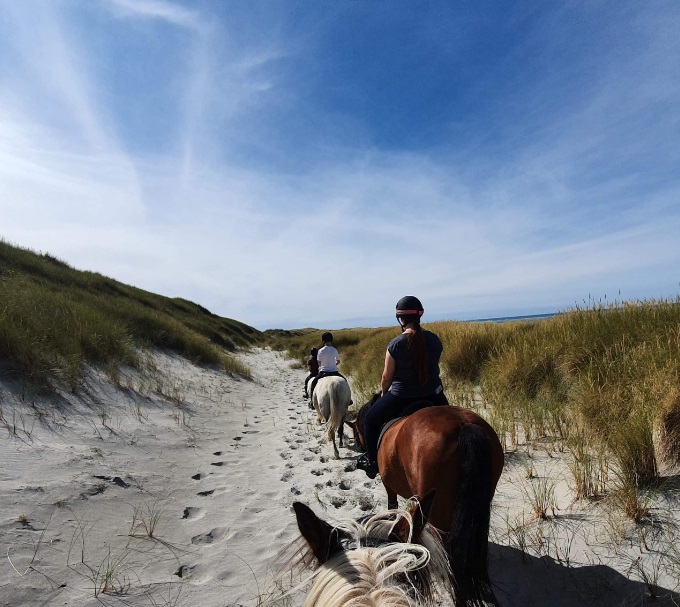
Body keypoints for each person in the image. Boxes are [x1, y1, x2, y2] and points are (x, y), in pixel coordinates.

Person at [356, 296, 449, 479]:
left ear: (401, 319)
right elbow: (433, 366)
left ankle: (372, 461)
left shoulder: (395, 344)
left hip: (401, 396)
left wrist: (384, 394)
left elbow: (386, 377)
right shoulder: (435, 340)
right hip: (434, 394)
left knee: (370, 420)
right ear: (420, 315)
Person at [308, 332, 348, 406]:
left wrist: (324, 365)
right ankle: (349, 400)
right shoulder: (334, 350)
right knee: (345, 380)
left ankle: (312, 401)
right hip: (334, 371)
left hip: (323, 372)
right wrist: (333, 365)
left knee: (314, 383)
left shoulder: (320, 351)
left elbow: (319, 363)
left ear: (323, 340)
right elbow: (338, 361)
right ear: (331, 340)